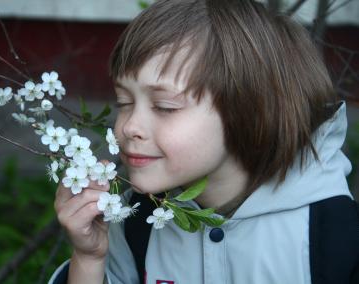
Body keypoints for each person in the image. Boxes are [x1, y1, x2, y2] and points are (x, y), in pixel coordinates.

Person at [50, 0, 359, 283]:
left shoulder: (333, 235)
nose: (130, 126)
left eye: (164, 107)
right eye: (123, 102)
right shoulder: (135, 220)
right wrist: (89, 259)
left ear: (247, 109)